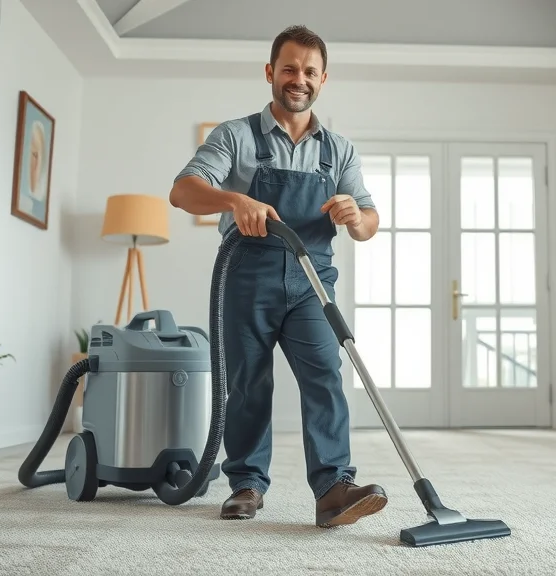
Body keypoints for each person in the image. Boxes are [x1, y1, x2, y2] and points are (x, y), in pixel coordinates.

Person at [168, 25, 386, 527]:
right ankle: (246, 484)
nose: (299, 79)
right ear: (270, 72)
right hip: (248, 272)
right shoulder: (235, 135)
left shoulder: (339, 151)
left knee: (325, 378)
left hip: (312, 280)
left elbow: (369, 224)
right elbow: (183, 191)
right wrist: (234, 199)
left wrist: (357, 215)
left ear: (323, 78)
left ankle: (333, 488)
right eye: (289, 68)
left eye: (310, 71)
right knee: (249, 383)